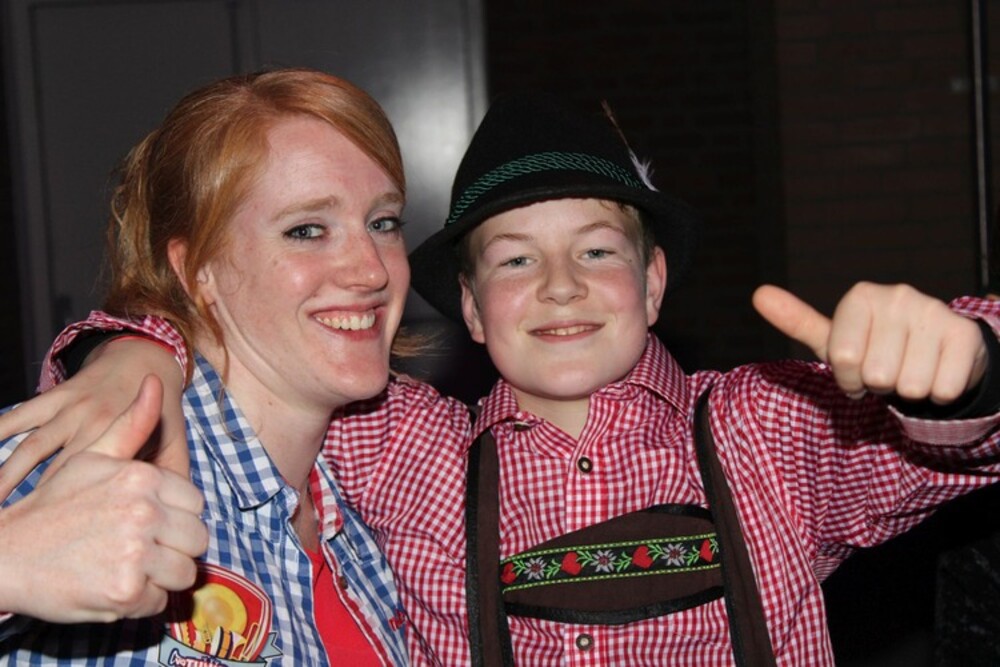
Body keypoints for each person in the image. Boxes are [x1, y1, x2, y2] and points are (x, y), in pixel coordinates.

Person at [4, 93, 1000, 666]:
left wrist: (961, 367)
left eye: (597, 250)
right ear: (473, 311)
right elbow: (248, 358)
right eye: (516, 259)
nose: (561, 284)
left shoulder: (768, 427)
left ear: (653, 282)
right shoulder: (403, 444)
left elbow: (958, 429)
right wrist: (132, 346)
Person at [0, 68, 412, 665]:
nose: (372, 269)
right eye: (306, 230)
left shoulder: (368, 507)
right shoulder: (85, 455)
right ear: (198, 271)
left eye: (383, 223)